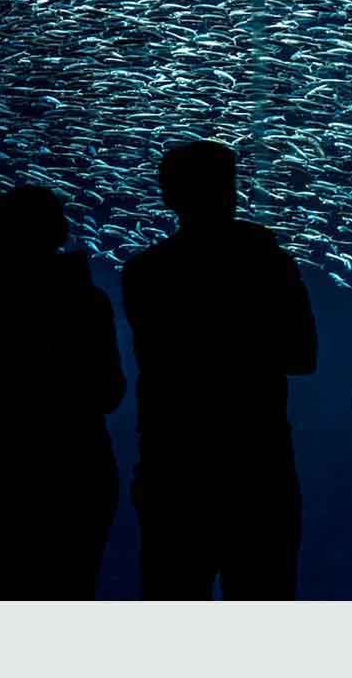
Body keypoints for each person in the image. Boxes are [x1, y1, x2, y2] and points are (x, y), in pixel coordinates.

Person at [122, 140, 317, 598]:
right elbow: (302, 357)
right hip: (256, 472)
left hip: (173, 471)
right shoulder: (270, 263)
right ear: (231, 192)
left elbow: (162, 361)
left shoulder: (145, 272)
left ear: (167, 195)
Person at [0, 186, 126, 598]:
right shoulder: (87, 301)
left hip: (0, 473)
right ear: (59, 232)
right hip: (77, 470)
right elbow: (110, 391)